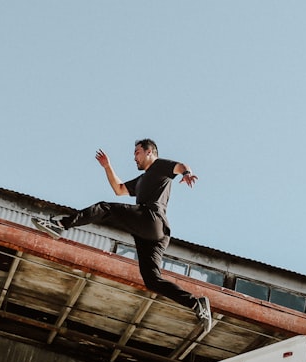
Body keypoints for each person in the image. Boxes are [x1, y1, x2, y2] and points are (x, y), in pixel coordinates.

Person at [31, 139, 213, 332]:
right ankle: (196, 304)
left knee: (104, 208)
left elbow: (180, 166)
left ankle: (59, 224)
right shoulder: (142, 180)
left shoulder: (160, 166)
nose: (134, 157)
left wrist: (187, 173)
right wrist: (107, 167)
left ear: (150, 152)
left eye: (137, 153)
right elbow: (119, 190)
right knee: (151, 279)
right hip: (153, 235)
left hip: (151, 218)